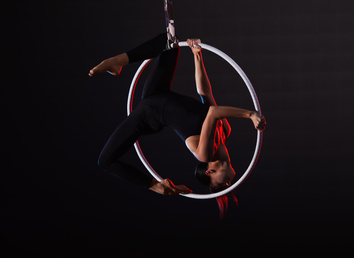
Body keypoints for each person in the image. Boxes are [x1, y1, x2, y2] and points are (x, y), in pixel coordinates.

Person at [89, 0, 266, 217]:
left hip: (147, 117)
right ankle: (118, 61)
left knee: (105, 161)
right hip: (157, 93)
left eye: (220, 185)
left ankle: (154, 185)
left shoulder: (204, 154)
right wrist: (197, 56)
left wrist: (250, 114)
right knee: (169, 41)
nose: (228, 183)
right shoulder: (225, 132)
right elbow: (205, 94)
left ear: (210, 171)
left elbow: (212, 113)